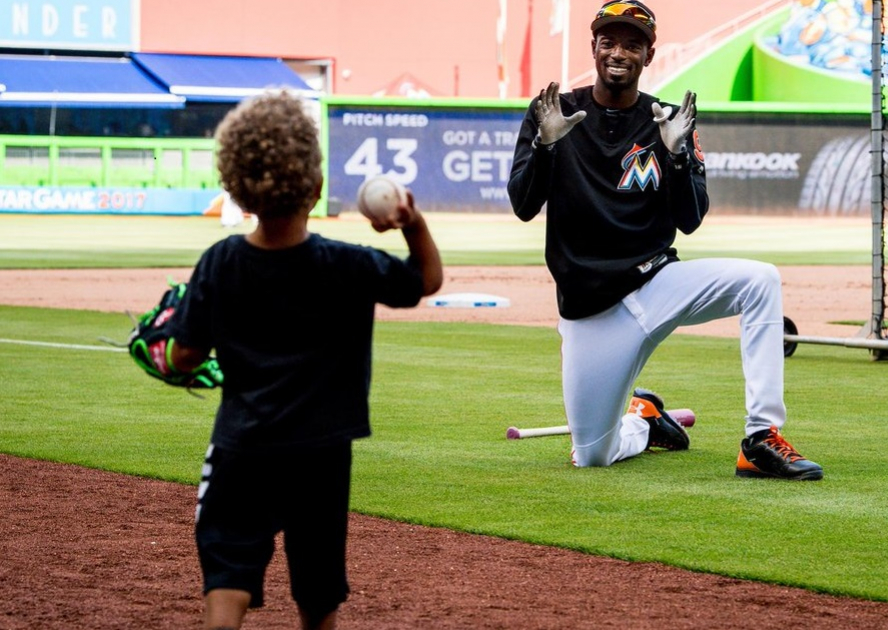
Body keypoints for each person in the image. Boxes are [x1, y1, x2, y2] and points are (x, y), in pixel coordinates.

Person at [507, 0, 823, 481]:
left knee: (760, 280)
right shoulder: (554, 111)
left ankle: (760, 438)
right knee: (593, 454)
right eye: (609, 41)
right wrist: (547, 146)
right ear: (593, 47)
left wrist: (676, 156)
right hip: (592, 309)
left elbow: (691, 219)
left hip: (657, 283)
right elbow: (523, 206)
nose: (619, 52)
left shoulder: (667, 118)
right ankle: (645, 421)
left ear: (649, 56)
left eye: (633, 44)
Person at [161, 92, 443, 629]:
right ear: (314, 189)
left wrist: (168, 350)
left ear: (236, 187)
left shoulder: (220, 262)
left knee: (229, 573)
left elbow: (185, 356)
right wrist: (411, 220)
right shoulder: (347, 264)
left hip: (243, 445)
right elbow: (425, 281)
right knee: (317, 595)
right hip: (323, 454)